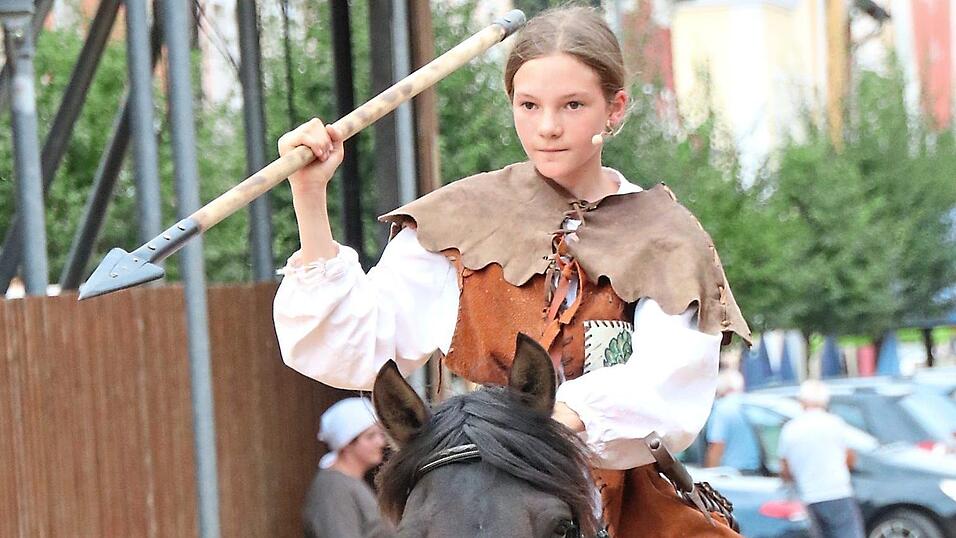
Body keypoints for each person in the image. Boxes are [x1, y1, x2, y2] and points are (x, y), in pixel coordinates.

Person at [274, 6, 751, 537]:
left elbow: (670, 392)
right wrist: (310, 197)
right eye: (529, 105)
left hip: (614, 501)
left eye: (573, 104)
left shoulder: (666, 237)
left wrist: (541, 428)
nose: (548, 127)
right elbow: (355, 347)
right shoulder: (460, 218)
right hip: (460, 491)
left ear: (615, 109)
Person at [778, 381, 864, 538]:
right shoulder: (835, 423)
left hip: (809, 495)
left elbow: (785, 468)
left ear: (801, 401)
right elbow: (851, 459)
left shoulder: (790, 429)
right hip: (838, 491)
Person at [302, 398, 394, 538]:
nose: (381, 442)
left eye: (380, 435)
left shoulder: (348, 483)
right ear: (346, 444)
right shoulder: (334, 488)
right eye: (370, 436)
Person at [705, 369, 761, 473]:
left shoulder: (722, 409)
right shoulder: (751, 405)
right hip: (756, 471)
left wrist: (709, 477)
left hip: (732, 475)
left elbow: (717, 446)